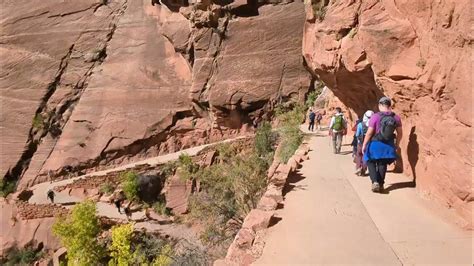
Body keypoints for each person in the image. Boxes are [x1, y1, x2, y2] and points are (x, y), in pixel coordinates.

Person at [362, 97, 402, 193]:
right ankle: (381, 184)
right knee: (382, 164)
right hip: (388, 145)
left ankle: (375, 181)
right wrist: (397, 144)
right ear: (389, 105)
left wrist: (364, 144)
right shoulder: (396, 118)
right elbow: (400, 133)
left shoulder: (375, 116)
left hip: (375, 143)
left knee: (370, 161)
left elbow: (369, 132)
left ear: (380, 105)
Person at [355, 110, 374, 176]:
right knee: (366, 156)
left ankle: (358, 168)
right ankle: (363, 170)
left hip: (361, 143)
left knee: (359, 155)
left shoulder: (360, 124)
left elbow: (357, 134)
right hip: (369, 143)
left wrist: (358, 141)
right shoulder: (373, 125)